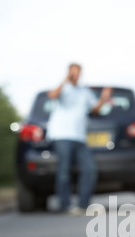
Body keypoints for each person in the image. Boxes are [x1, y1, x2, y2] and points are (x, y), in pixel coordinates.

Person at [46, 63, 112, 214]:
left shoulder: (84, 91)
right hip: (61, 135)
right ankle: (66, 205)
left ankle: (83, 205)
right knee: (64, 170)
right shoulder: (63, 88)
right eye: (73, 73)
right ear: (68, 73)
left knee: (89, 169)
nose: (75, 75)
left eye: (78, 73)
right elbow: (52, 95)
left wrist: (103, 98)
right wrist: (65, 80)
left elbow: (95, 109)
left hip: (79, 137)